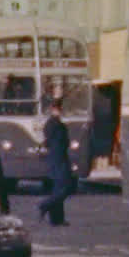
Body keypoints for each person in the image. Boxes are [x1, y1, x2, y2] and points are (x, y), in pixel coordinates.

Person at [35, 94, 75, 227]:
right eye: (58, 108)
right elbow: (61, 143)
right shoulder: (56, 124)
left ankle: (56, 219)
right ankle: (44, 205)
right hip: (59, 159)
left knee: (58, 189)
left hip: (55, 159)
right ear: (53, 109)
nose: (60, 111)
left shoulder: (52, 124)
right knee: (65, 188)